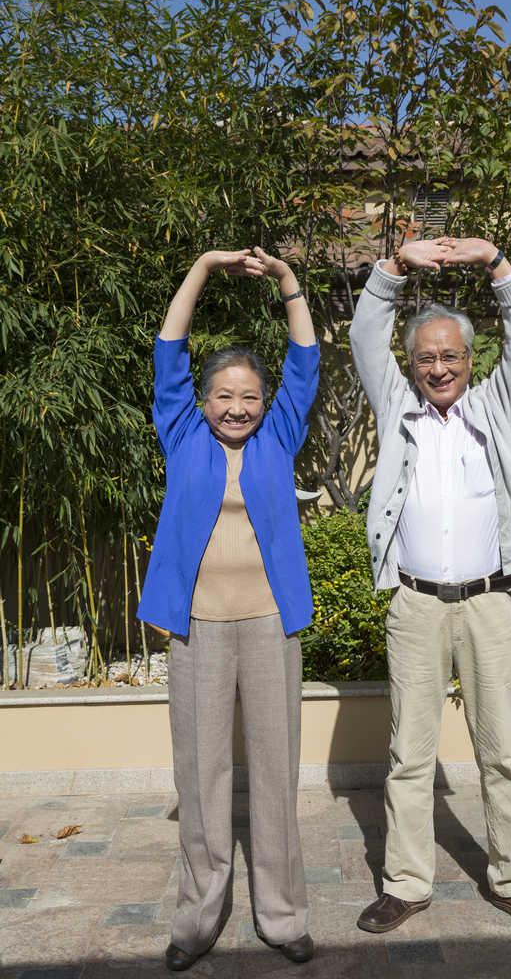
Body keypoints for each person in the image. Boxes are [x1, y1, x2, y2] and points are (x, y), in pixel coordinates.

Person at [348, 237, 511, 937]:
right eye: (425, 357)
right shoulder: (396, 407)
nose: (438, 367)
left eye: (450, 356)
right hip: (414, 604)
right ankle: (407, 884)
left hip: (489, 603)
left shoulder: (495, 407)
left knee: (501, 751)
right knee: (408, 756)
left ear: (470, 362)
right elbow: (362, 333)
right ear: (409, 366)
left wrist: (493, 260)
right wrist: (395, 266)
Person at [137, 246, 319, 970]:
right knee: (202, 776)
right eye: (224, 396)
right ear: (203, 401)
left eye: (249, 396)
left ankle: (281, 916)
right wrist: (203, 269)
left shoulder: (279, 436)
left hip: (271, 625)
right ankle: (196, 919)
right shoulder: (181, 435)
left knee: (273, 775)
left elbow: (304, 356)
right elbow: (169, 348)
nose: (237, 407)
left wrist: (284, 280)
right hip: (197, 629)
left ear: (264, 403)